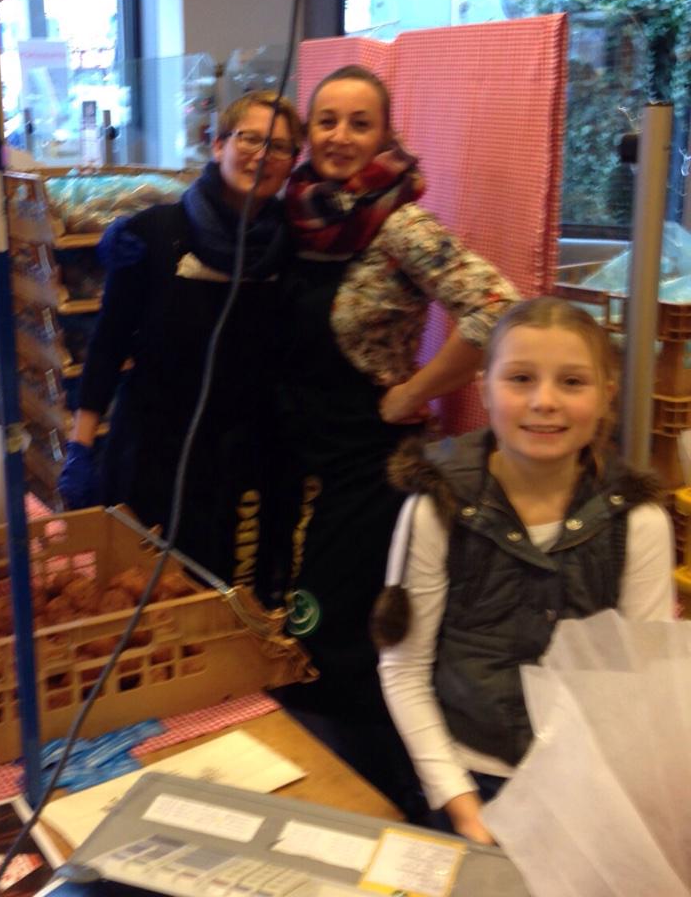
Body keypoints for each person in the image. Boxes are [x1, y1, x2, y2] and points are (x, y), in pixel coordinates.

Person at [273, 64, 519, 817]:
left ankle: (369, 798)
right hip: (291, 450)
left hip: (365, 465)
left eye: (360, 123)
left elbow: (498, 309)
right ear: (308, 133)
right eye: (328, 122)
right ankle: (302, 779)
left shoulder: (402, 226)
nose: (340, 138)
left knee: (341, 632)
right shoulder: (291, 219)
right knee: (290, 619)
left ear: (386, 135)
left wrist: (416, 391)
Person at [375, 296, 675, 843]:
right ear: (485, 388)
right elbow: (405, 668)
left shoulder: (640, 522)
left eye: (572, 382)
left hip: (590, 783)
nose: (544, 402)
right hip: (469, 777)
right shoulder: (435, 508)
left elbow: (645, 679)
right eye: (520, 379)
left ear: (606, 395)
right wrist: (460, 803)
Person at [57, 90, 303, 594]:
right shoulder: (153, 232)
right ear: (218, 146)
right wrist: (81, 446)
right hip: (149, 448)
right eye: (250, 138)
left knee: (215, 600)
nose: (262, 155)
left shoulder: (290, 248)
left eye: (279, 147)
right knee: (133, 594)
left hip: (237, 462)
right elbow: (107, 344)